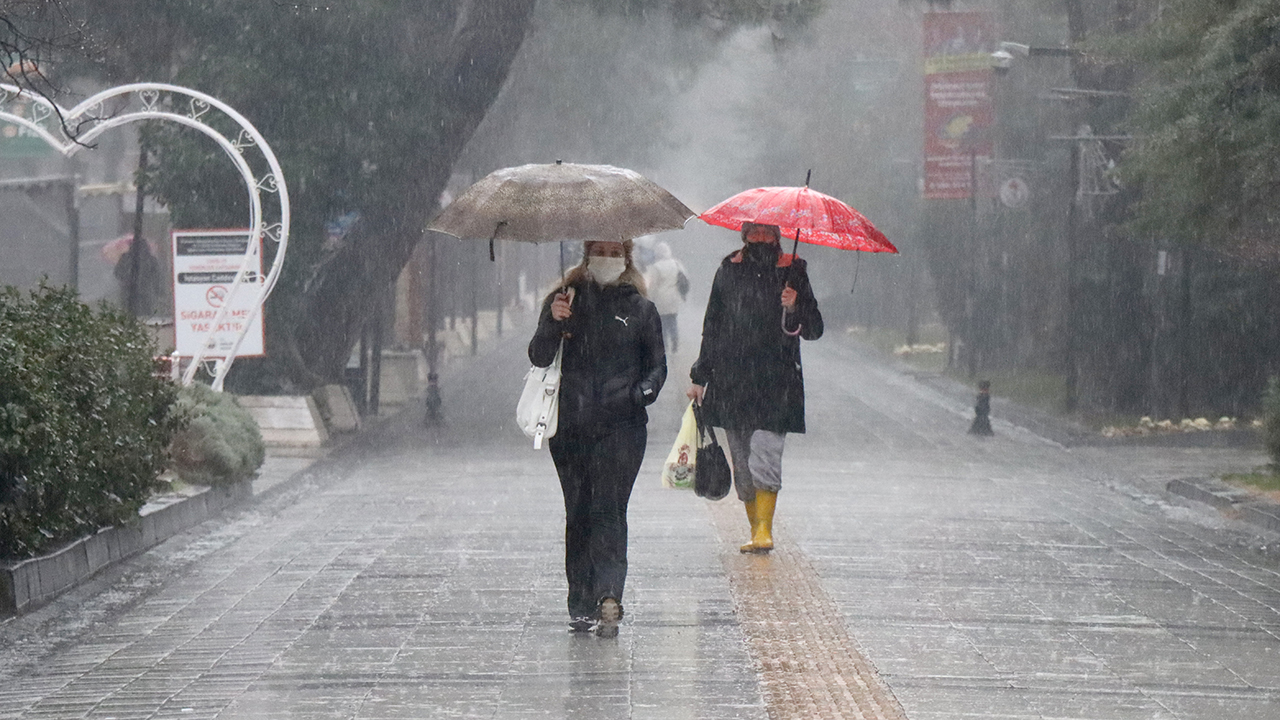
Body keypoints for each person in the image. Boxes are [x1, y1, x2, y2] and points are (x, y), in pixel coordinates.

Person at [528, 239, 667, 637]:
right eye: (599, 249)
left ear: (626, 257)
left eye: (614, 250)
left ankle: (608, 594)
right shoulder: (565, 300)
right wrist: (554, 322)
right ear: (587, 254)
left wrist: (638, 394)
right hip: (570, 425)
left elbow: (657, 367)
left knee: (608, 507)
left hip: (621, 428)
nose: (606, 257)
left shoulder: (641, 309)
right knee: (579, 511)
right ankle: (580, 601)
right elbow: (538, 355)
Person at [686, 222, 823, 554]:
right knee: (742, 463)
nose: (761, 239)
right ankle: (754, 527)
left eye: (768, 233)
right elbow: (713, 325)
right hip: (732, 381)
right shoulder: (728, 269)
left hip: (777, 383)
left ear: (778, 236)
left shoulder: (794, 270)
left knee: (765, 454)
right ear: (744, 235)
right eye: (754, 232)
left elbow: (814, 328)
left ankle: (765, 530)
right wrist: (699, 375)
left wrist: (794, 306)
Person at [643, 241, 690, 353]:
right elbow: (684, 278)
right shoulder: (676, 264)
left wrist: (649, 298)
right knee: (672, 321)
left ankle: (665, 346)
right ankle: (675, 343)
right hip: (674, 298)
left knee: (662, 323)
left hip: (661, 299)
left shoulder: (655, 267)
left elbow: (652, 285)